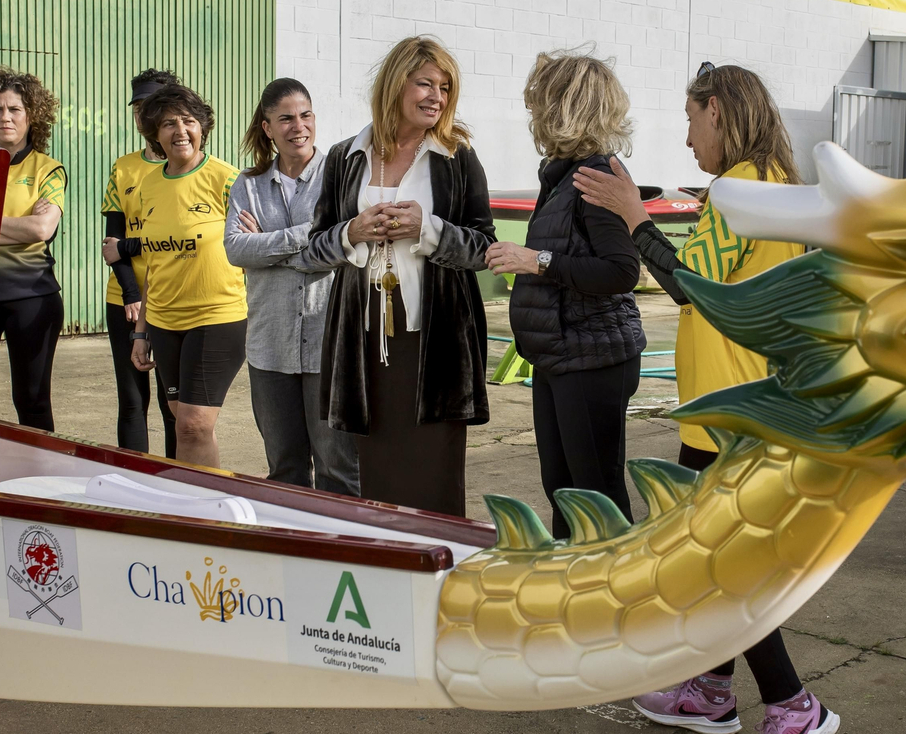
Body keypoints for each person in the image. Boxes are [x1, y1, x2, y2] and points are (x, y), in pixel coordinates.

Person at [574, 62, 838, 734]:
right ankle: (712, 689)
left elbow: (693, 286)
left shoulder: (742, 187)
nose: (689, 139)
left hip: (728, 413)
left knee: (723, 568)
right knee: (715, 559)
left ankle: (792, 703)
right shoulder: (775, 182)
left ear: (717, 110)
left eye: (691, 120)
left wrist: (634, 213)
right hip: (736, 404)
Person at [288, 37, 494, 516]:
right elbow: (312, 251)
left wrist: (430, 229)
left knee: (435, 475)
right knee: (379, 476)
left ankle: (439, 570)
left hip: (435, 342)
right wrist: (352, 231)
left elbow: (485, 248)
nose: (436, 97)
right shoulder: (346, 157)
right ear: (395, 84)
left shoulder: (457, 156)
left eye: (445, 88)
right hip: (365, 343)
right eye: (425, 83)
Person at [487, 50, 644, 539]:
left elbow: (622, 271)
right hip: (560, 356)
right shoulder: (562, 176)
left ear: (564, 107)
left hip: (593, 358)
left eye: (539, 102)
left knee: (596, 499)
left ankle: (618, 605)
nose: (532, 112)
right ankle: (574, 599)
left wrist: (536, 261)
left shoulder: (595, 178)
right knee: (563, 491)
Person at [226, 77, 359, 495]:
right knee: (284, 471)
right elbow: (235, 250)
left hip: (328, 344)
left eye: (305, 115)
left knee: (339, 469)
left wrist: (268, 242)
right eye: (285, 118)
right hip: (270, 346)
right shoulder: (247, 185)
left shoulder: (339, 177)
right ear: (267, 127)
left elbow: (345, 244)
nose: (297, 126)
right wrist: (309, 235)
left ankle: (344, 553)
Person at [110, 84, 246, 468]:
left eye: (189, 121)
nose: (180, 131)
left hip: (216, 317)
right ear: (154, 132)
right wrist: (141, 332)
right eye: (168, 123)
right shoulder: (148, 186)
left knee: (192, 426)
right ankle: (197, 505)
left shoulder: (228, 180)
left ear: (203, 127)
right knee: (185, 424)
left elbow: (254, 244)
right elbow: (154, 264)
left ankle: (204, 516)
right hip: (165, 323)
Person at [0, 67, 66, 432]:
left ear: (31, 117)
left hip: (32, 296)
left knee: (32, 402)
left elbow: (42, 228)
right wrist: (16, 227)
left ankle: (44, 484)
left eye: (15, 109)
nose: (6, 117)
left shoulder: (48, 170)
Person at [100, 69, 180, 455]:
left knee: (173, 406)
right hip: (125, 299)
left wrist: (130, 246)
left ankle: (174, 490)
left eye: (149, 105)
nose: (141, 114)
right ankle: (135, 489)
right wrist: (131, 294)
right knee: (132, 401)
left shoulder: (192, 168)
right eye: (136, 107)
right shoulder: (124, 168)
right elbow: (113, 243)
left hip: (171, 300)